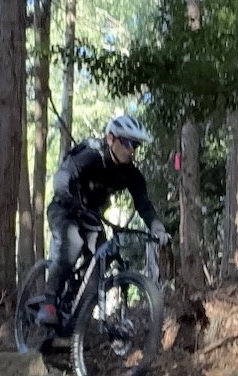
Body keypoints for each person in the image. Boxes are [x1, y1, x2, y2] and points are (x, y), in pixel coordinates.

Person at [44, 113, 166, 325]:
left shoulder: (130, 173)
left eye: (135, 145)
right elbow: (64, 174)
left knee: (102, 259)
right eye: (127, 143)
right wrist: (65, 193)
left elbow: (144, 204)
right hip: (64, 209)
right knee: (73, 244)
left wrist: (158, 229)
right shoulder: (92, 154)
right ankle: (49, 303)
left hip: (90, 217)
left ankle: (78, 318)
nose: (131, 150)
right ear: (111, 139)